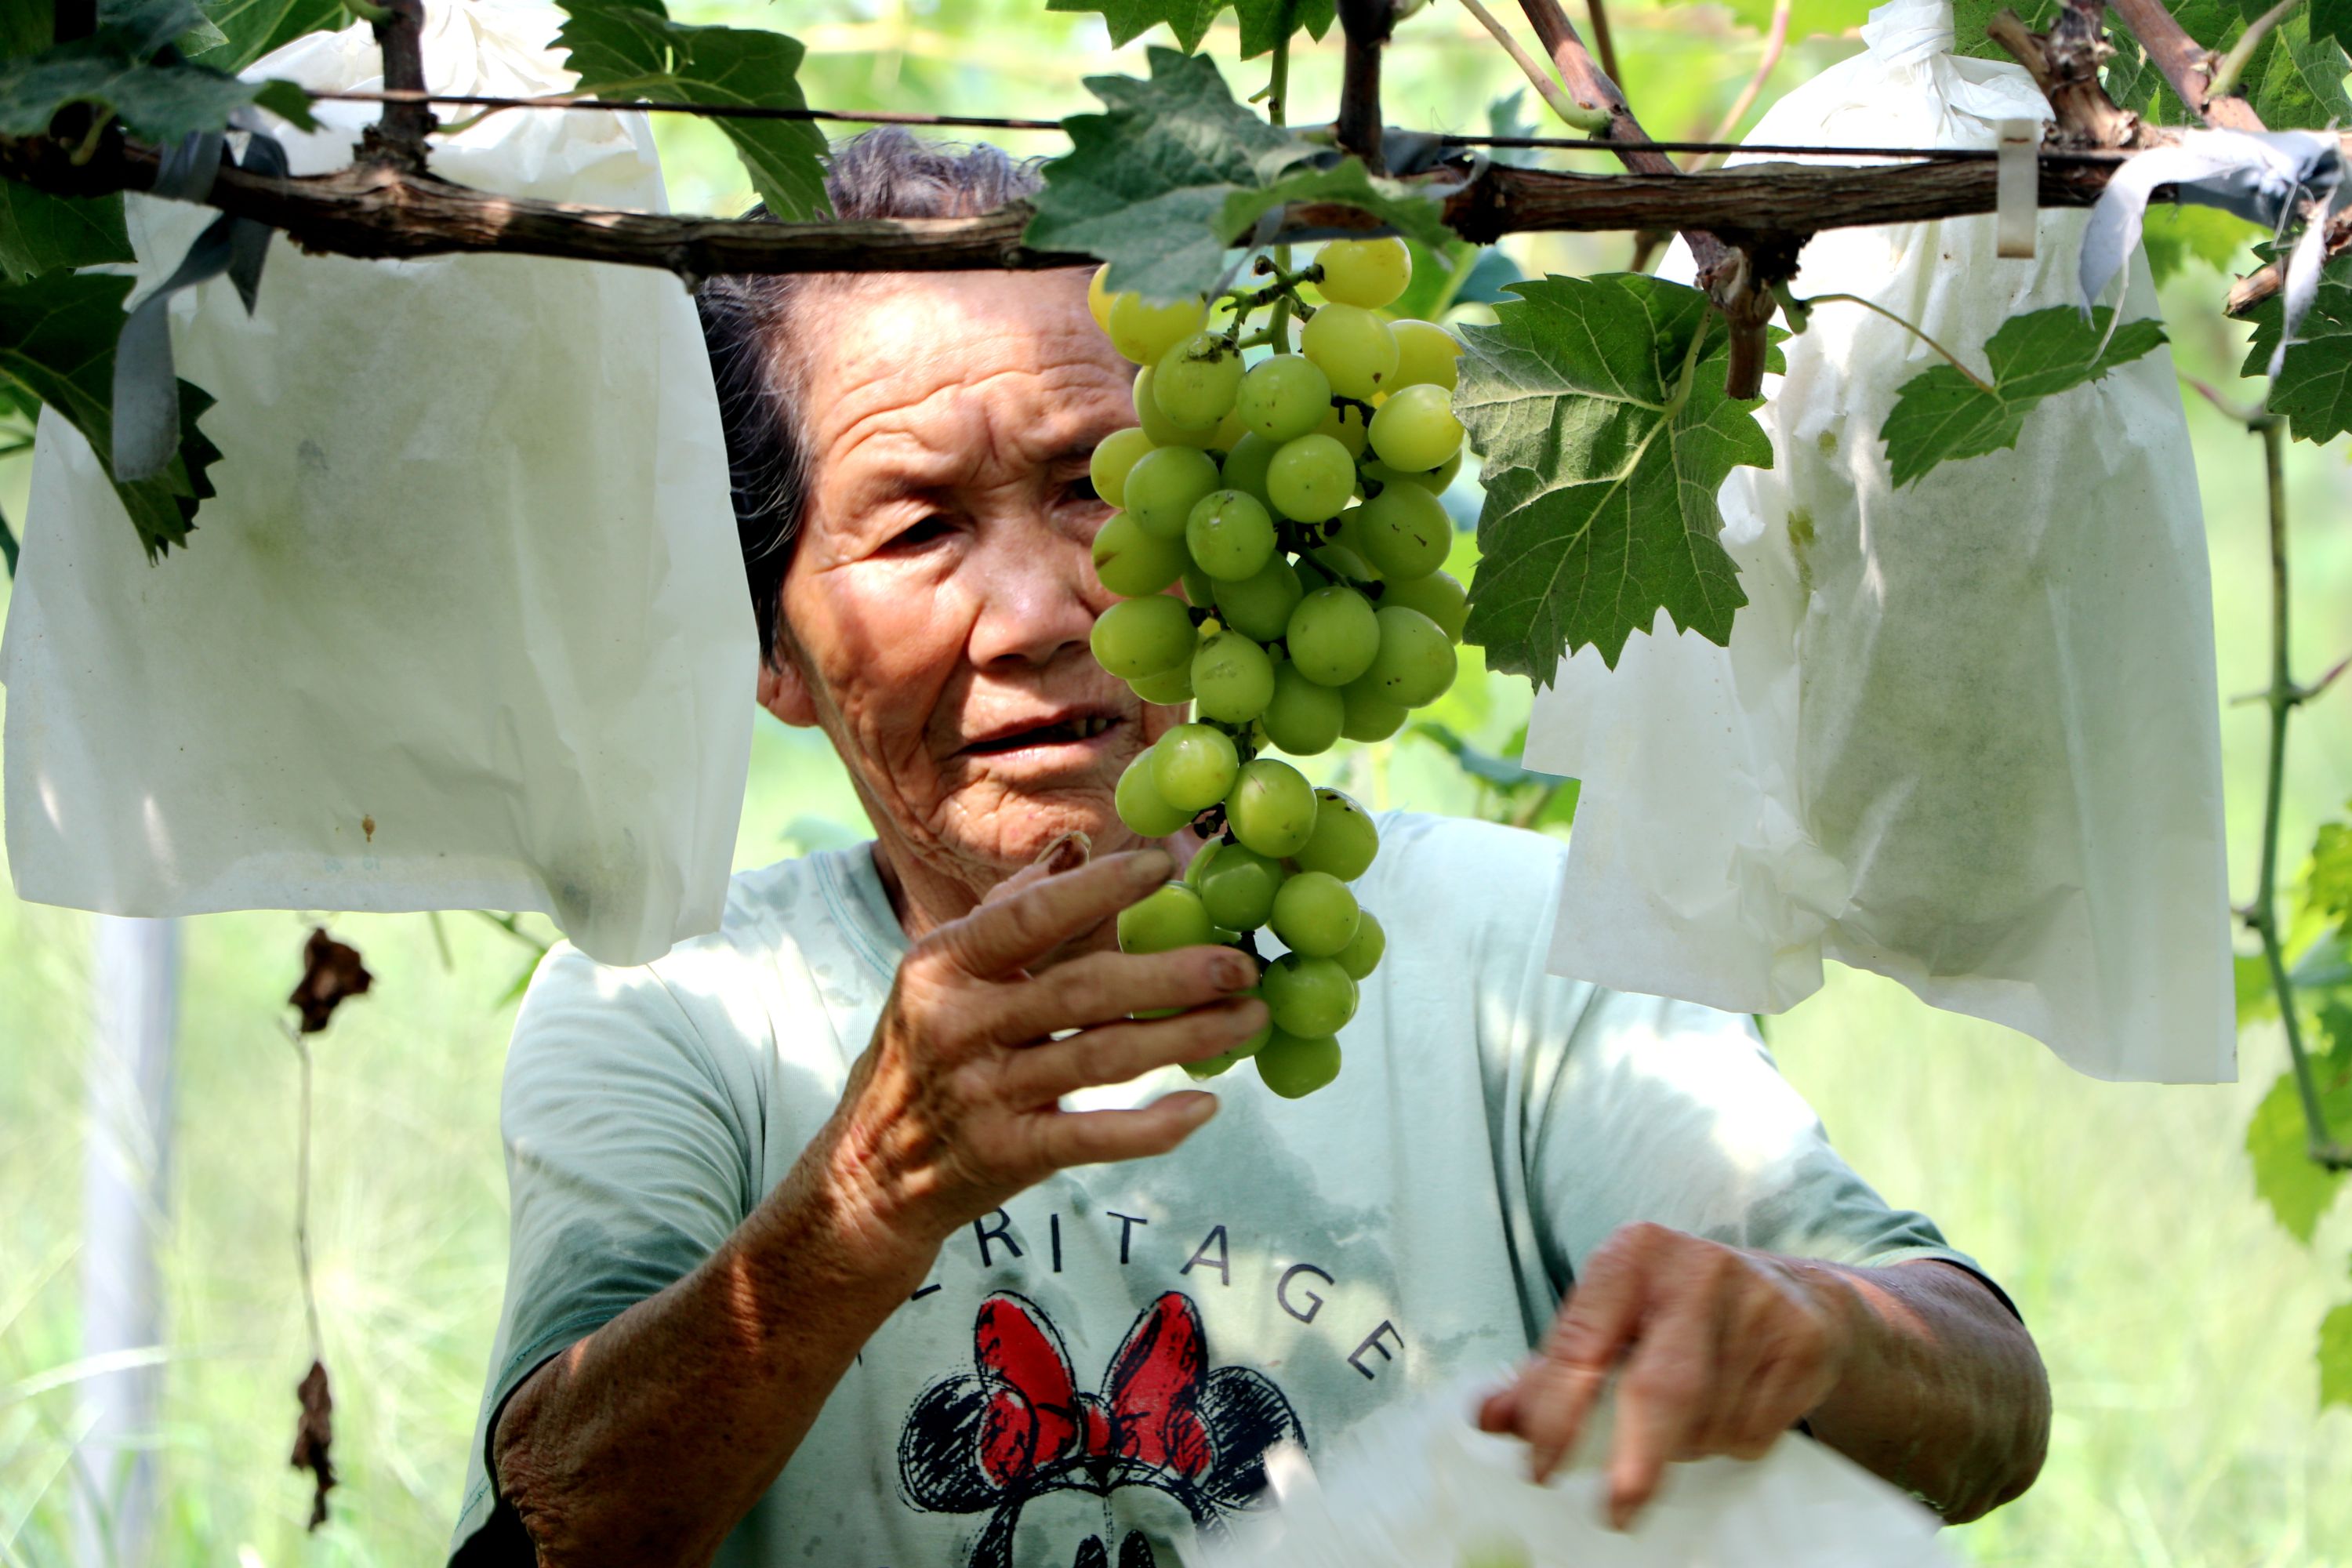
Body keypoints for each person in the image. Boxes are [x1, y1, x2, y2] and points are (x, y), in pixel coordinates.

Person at [448, 131, 2049, 1568]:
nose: (1037, 613)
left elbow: (1988, 1397)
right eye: (921, 525)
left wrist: (1813, 1326)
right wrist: (861, 1202)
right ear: (770, 649)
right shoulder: (675, 1012)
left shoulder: (1528, 947)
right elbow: (549, 1534)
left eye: (1096, 487)